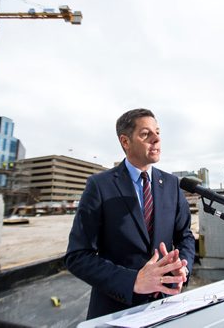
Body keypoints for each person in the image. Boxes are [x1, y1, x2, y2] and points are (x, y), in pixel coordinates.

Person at [65, 108, 196, 319]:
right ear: (125, 142)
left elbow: (185, 236)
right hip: (116, 310)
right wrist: (132, 281)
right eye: (146, 134)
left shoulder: (172, 184)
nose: (156, 139)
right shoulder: (100, 185)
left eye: (158, 132)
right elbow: (77, 256)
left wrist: (184, 268)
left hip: (165, 306)